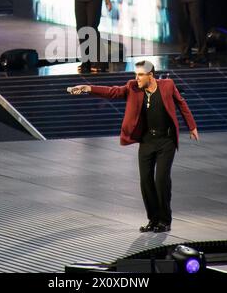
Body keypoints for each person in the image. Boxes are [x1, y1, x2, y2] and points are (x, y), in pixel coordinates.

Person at [68, 60, 199, 233]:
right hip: (146, 141)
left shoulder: (167, 85)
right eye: (135, 75)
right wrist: (88, 88)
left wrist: (192, 126)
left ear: (150, 75)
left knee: (161, 180)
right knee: (145, 181)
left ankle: (165, 220)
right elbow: (112, 92)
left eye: (140, 75)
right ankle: (153, 220)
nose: (136, 78)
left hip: (166, 141)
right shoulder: (133, 87)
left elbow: (181, 103)